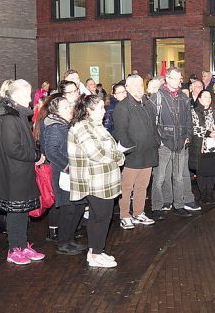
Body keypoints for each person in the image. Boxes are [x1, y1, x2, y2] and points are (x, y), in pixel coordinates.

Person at [68, 95, 125, 268]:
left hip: (102, 180)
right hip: (96, 181)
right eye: (100, 107)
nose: (104, 110)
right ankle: (96, 254)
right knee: (102, 218)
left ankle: (94, 252)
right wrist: (118, 156)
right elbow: (96, 154)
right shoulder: (83, 128)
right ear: (88, 110)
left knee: (96, 217)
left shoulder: (94, 126)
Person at [0, 79, 46, 265]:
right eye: (25, 95)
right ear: (14, 96)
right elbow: (12, 148)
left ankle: (22, 246)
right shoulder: (9, 118)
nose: (29, 99)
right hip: (13, 174)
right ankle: (13, 249)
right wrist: (34, 155)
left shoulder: (20, 114)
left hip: (21, 172)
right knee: (16, 213)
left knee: (22, 212)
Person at [39, 94, 87, 255]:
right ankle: (63, 243)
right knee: (69, 208)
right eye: (65, 107)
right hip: (64, 174)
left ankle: (69, 239)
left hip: (69, 171)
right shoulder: (56, 126)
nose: (70, 109)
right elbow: (51, 152)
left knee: (78, 206)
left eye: (69, 106)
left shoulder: (62, 124)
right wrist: (68, 167)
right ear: (56, 111)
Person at [150, 67, 198, 219]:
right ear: (167, 78)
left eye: (179, 78)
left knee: (178, 177)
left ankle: (178, 205)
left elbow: (188, 120)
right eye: (174, 78)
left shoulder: (183, 98)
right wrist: (159, 141)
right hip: (164, 144)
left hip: (180, 143)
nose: (177, 81)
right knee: (159, 177)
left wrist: (187, 137)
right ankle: (157, 207)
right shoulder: (157, 96)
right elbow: (151, 122)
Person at [112, 74, 158, 229]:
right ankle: (124, 215)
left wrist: (156, 142)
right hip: (132, 155)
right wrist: (130, 149)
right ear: (128, 88)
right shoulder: (122, 107)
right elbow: (120, 132)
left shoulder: (147, 103)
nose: (140, 89)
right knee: (126, 188)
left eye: (141, 85)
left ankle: (138, 212)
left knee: (142, 187)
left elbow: (153, 126)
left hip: (148, 152)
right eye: (136, 86)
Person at [190, 90, 215, 204]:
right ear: (199, 99)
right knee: (201, 172)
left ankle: (210, 195)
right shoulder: (194, 112)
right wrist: (208, 133)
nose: (208, 99)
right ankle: (203, 195)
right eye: (205, 96)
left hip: (214, 147)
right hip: (201, 147)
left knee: (212, 171)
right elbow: (194, 128)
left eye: (210, 97)